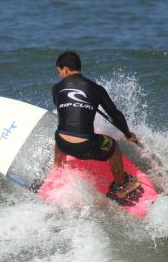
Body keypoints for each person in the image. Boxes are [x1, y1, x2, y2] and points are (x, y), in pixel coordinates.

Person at [52, 51, 141, 204]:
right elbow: (115, 114)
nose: (60, 75)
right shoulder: (96, 89)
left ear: (65, 69)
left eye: (59, 71)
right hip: (86, 146)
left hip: (62, 144)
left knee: (62, 131)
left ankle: (57, 166)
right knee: (113, 146)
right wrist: (127, 133)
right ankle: (121, 185)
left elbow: (66, 110)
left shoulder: (56, 88)